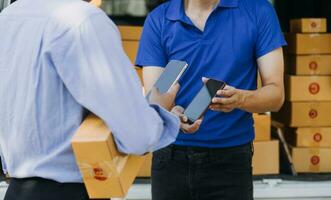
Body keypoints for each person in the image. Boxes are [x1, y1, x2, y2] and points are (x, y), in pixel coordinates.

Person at [0, 0, 192, 199]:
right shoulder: (83, 20)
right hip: (72, 190)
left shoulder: (9, 16)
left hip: (16, 188)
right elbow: (139, 136)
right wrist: (159, 112)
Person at [136, 0, 287, 199]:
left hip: (230, 159)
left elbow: (276, 95)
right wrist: (172, 114)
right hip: (170, 158)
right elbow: (156, 101)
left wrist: (240, 98)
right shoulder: (159, 19)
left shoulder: (259, 11)